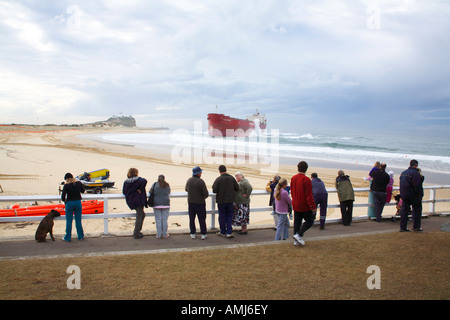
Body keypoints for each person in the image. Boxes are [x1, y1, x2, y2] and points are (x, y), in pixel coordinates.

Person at [290, 161, 317, 246]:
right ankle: (298, 234)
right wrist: (313, 206)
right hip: (304, 205)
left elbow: (292, 191)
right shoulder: (306, 180)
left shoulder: (293, 178)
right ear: (306, 169)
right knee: (310, 220)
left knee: (297, 222)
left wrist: (294, 199)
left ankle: (296, 239)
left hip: (296, 203)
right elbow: (309, 195)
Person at [212, 165, 239, 238]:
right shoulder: (231, 178)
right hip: (230, 200)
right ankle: (229, 232)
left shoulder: (218, 179)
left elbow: (214, 190)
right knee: (229, 216)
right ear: (226, 170)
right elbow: (237, 188)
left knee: (222, 216)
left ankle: (223, 231)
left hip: (221, 200)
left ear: (219, 171)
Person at [399, 159, 424, 232]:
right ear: (415, 165)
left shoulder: (403, 173)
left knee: (404, 211)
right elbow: (417, 185)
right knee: (417, 210)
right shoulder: (415, 173)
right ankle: (416, 227)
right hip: (413, 195)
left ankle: (403, 227)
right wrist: (419, 194)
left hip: (404, 194)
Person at [122, 168, 148, 239]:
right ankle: (136, 233)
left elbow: (124, 192)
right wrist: (139, 189)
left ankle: (137, 231)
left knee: (142, 214)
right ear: (136, 173)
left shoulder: (126, 182)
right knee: (139, 216)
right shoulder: (138, 180)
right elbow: (145, 181)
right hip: (138, 200)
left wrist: (132, 193)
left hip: (131, 201)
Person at [185, 166, 209, 240]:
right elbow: (206, 193)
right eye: (200, 172)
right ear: (198, 173)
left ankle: (192, 233)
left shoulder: (189, 180)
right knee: (202, 218)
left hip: (191, 202)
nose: (201, 173)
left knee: (192, 218)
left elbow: (186, 189)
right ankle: (203, 233)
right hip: (200, 203)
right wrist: (203, 197)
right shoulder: (201, 181)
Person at [61, 173, 85, 242]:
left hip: (69, 203)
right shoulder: (78, 183)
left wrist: (66, 201)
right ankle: (80, 236)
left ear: (66, 179)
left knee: (69, 221)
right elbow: (83, 191)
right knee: (78, 220)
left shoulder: (66, 186)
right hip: (78, 203)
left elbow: (63, 197)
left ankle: (68, 237)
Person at [151, 174, 171, 239]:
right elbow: (169, 192)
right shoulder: (167, 185)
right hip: (165, 203)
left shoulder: (155, 185)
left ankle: (159, 234)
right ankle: (165, 234)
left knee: (158, 220)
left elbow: (151, 191)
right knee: (164, 220)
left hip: (156, 204)